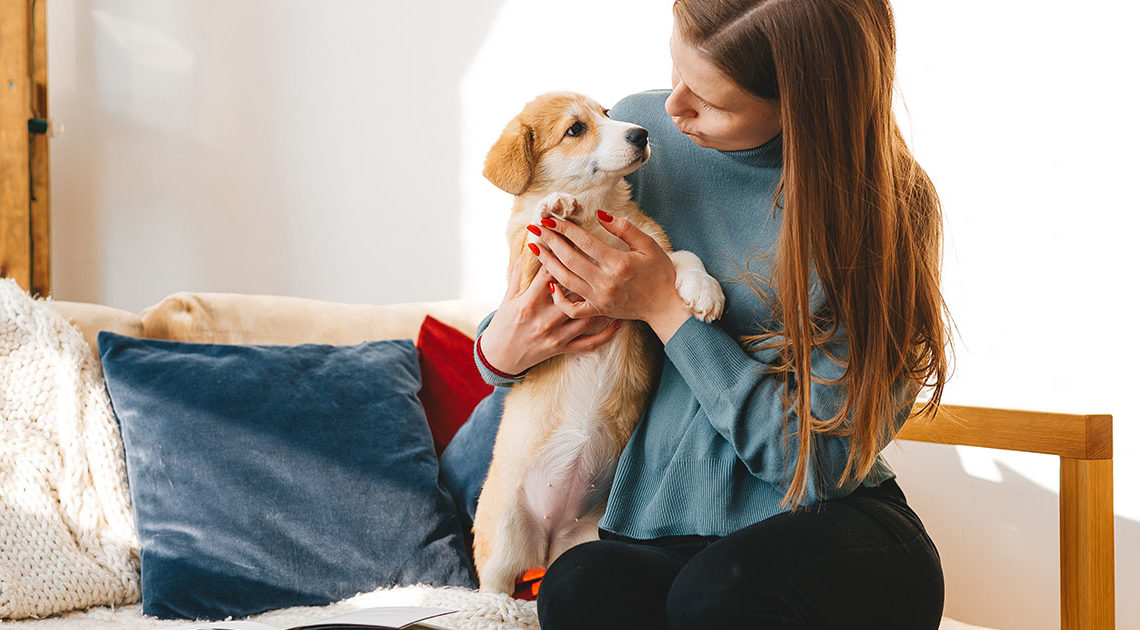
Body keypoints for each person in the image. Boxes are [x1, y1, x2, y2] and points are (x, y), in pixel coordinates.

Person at [469, 0, 950, 627]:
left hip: (825, 517)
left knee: (721, 596)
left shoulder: (885, 209)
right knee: (580, 587)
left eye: (711, 101)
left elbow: (818, 465)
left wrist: (666, 308)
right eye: (677, 72)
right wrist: (498, 349)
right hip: (664, 522)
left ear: (800, 106)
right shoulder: (638, 135)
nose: (673, 109)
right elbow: (530, 293)